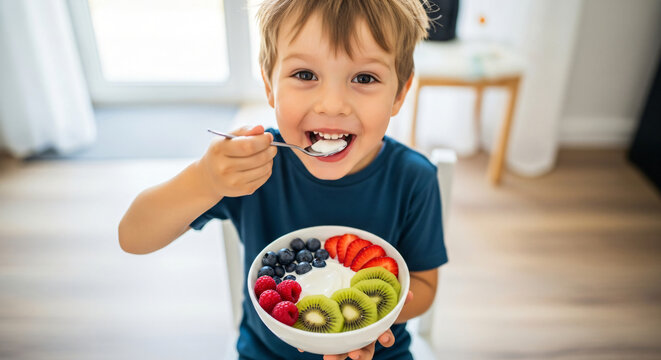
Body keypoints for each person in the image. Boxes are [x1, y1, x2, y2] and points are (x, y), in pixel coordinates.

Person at [118, 0, 448, 359]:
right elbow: (133, 237)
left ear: (400, 92)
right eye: (305, 75)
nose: (332, 104)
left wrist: (374, 322)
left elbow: (425, 285)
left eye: (364, 78)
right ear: (269, 83)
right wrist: (204, 180)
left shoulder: (414, 179)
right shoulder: (252, 167)